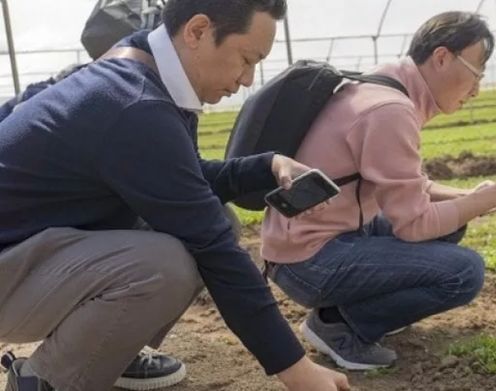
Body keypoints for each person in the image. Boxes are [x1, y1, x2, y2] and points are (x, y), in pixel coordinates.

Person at [0, 1, 350, 390]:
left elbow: (180, 179)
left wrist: (267, 165)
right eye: (246, 59)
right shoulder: (135, 105)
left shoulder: (140, 67)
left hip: (24, 245)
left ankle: (112, 351)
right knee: (165, 265)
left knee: (210, 224)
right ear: (198, 31)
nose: (248, 79)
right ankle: (42, 382)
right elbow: (213, 245)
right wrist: (297, 370)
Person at [261, 11, 496, 370]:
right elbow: (415, 224)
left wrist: (470, 196)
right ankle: (341, 326)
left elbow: (408, 186)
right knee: (464, 272)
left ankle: (367, 309)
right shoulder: (390, 110)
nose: (477, 89)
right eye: (476, 74)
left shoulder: (381, 85)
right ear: (441, 58)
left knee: (453, 223)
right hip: (309, 261)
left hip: (313, 240)